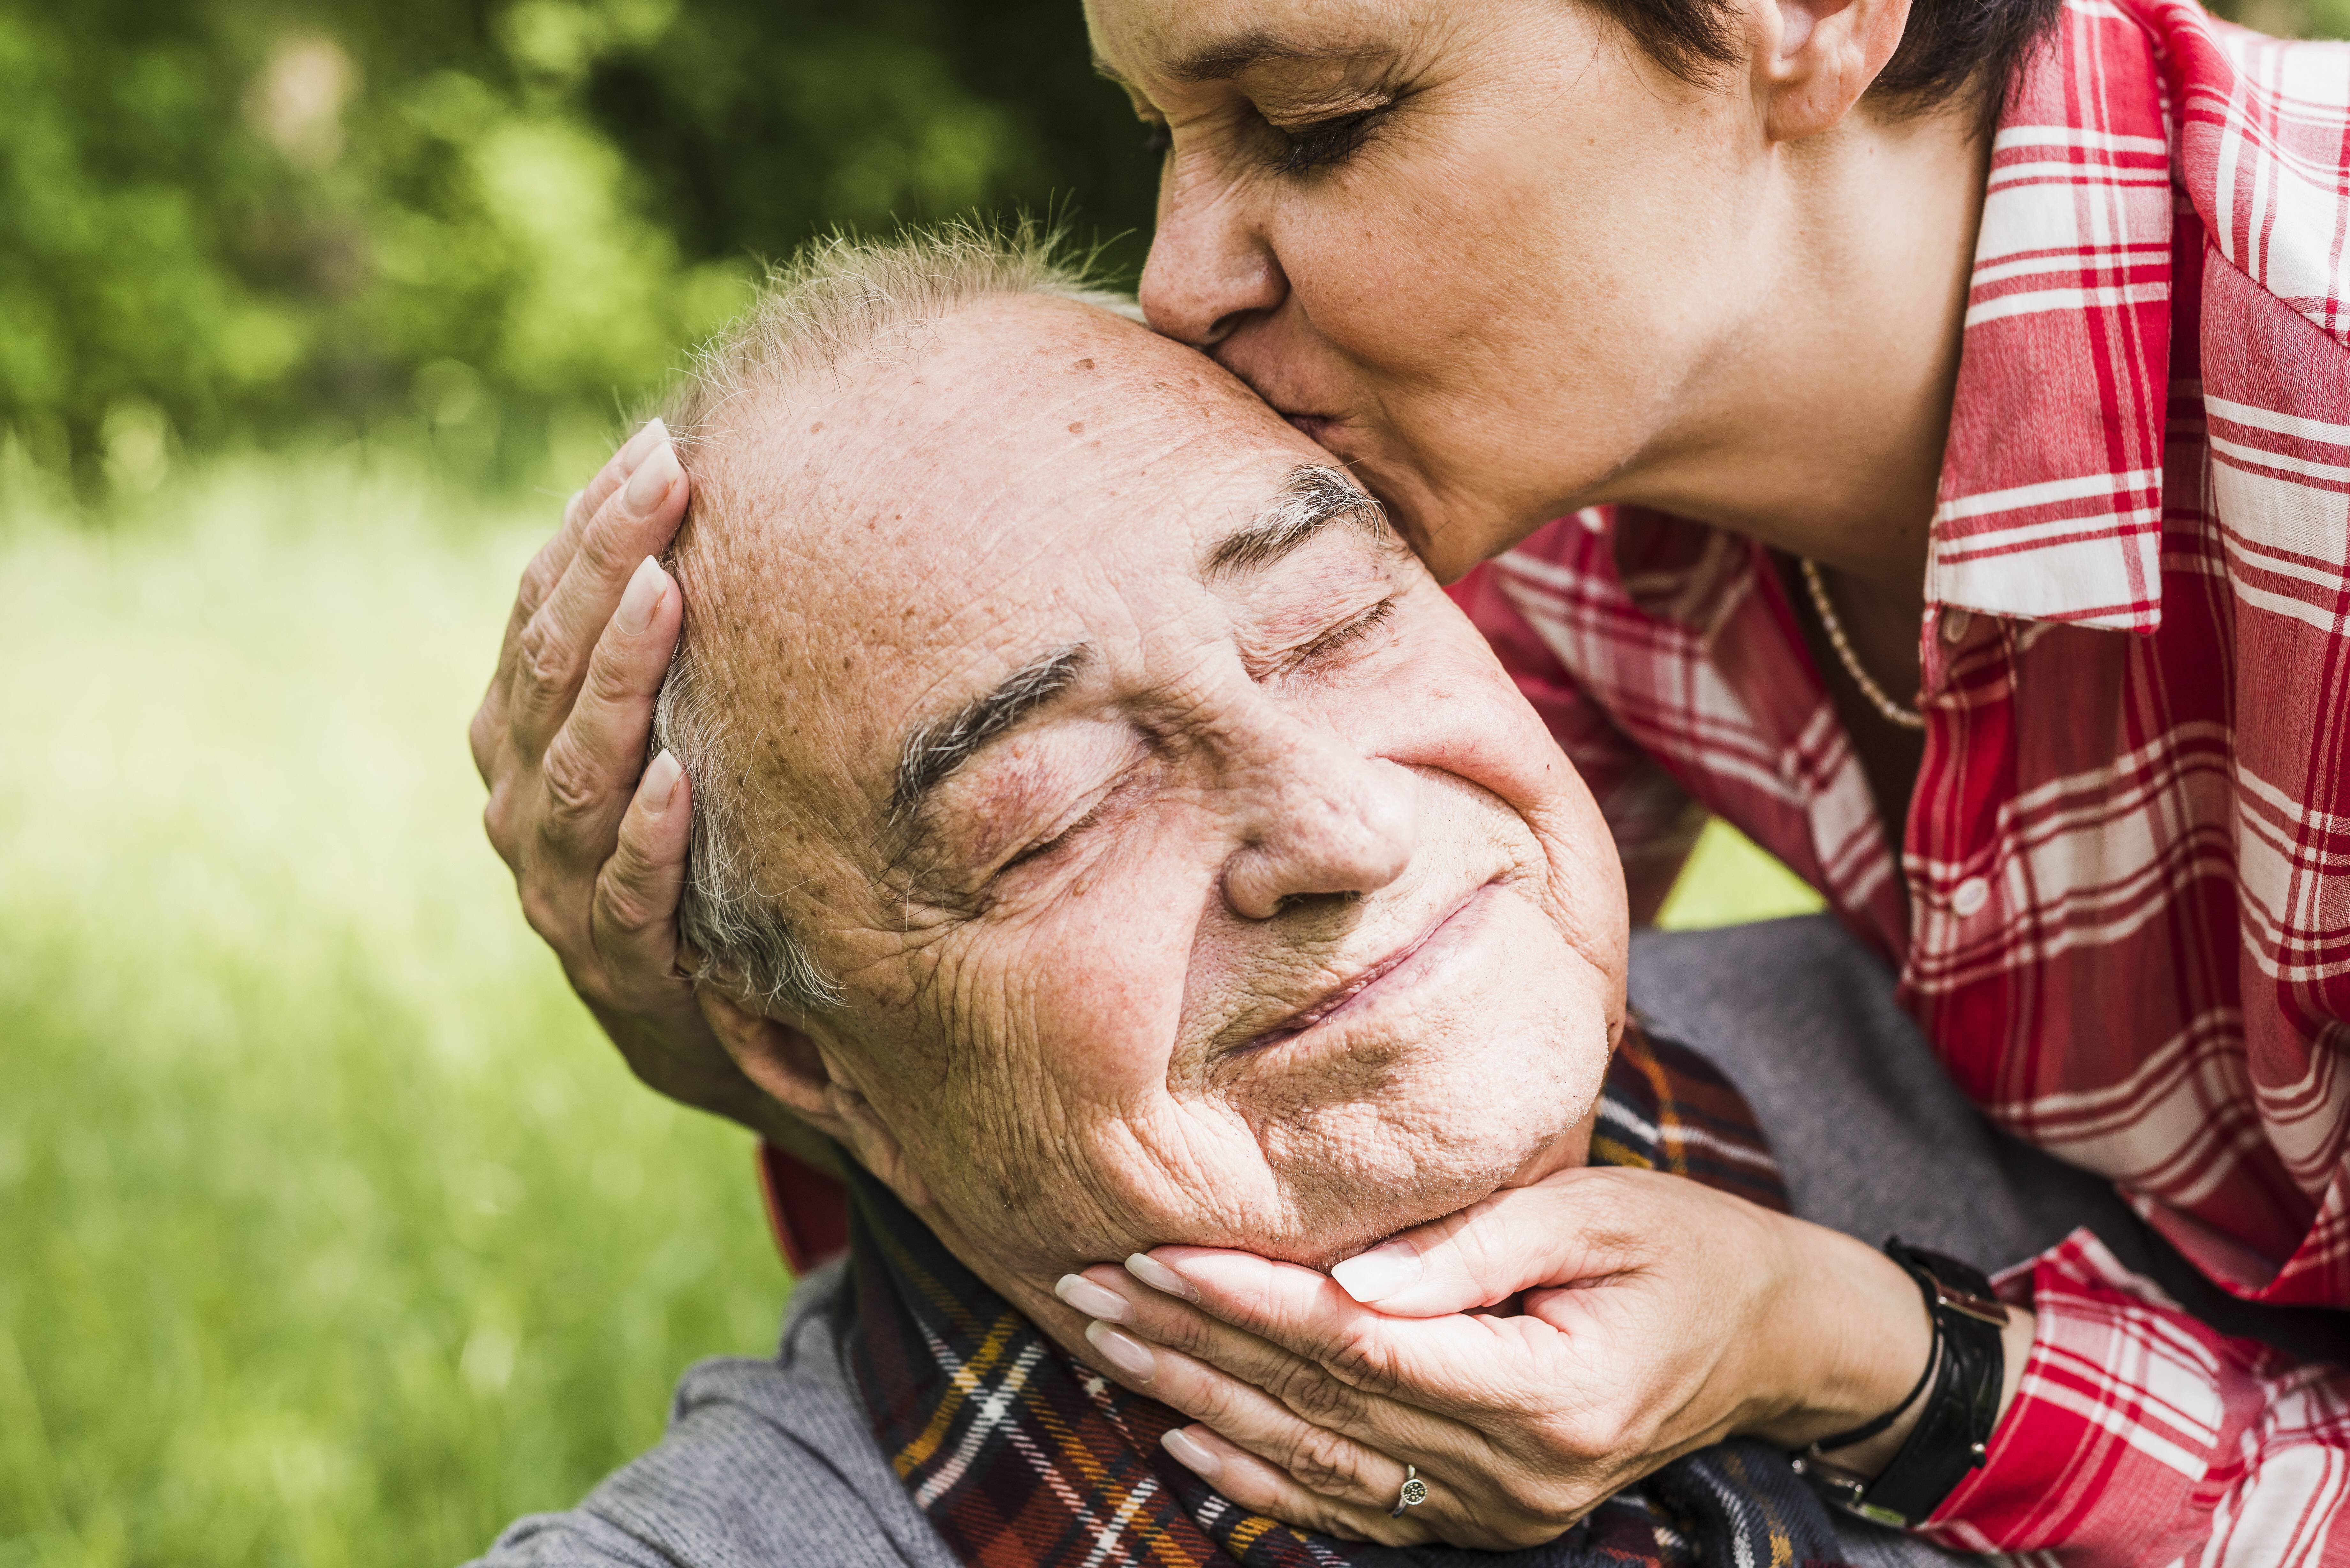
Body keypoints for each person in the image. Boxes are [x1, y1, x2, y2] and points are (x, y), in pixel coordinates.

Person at [471, 0, 2350, 1555]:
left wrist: (1889, 1362)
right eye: (1160, 137)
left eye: (1318, 121)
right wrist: (739, 1001)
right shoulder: (1553, 512)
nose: (1180, 281)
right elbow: (1184, 1082)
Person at [471, 232, 1992, 1567]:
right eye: (1053, 809)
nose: (1339, 821)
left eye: (1331, 621)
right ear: (807, 1061)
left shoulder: (2021, 1093)